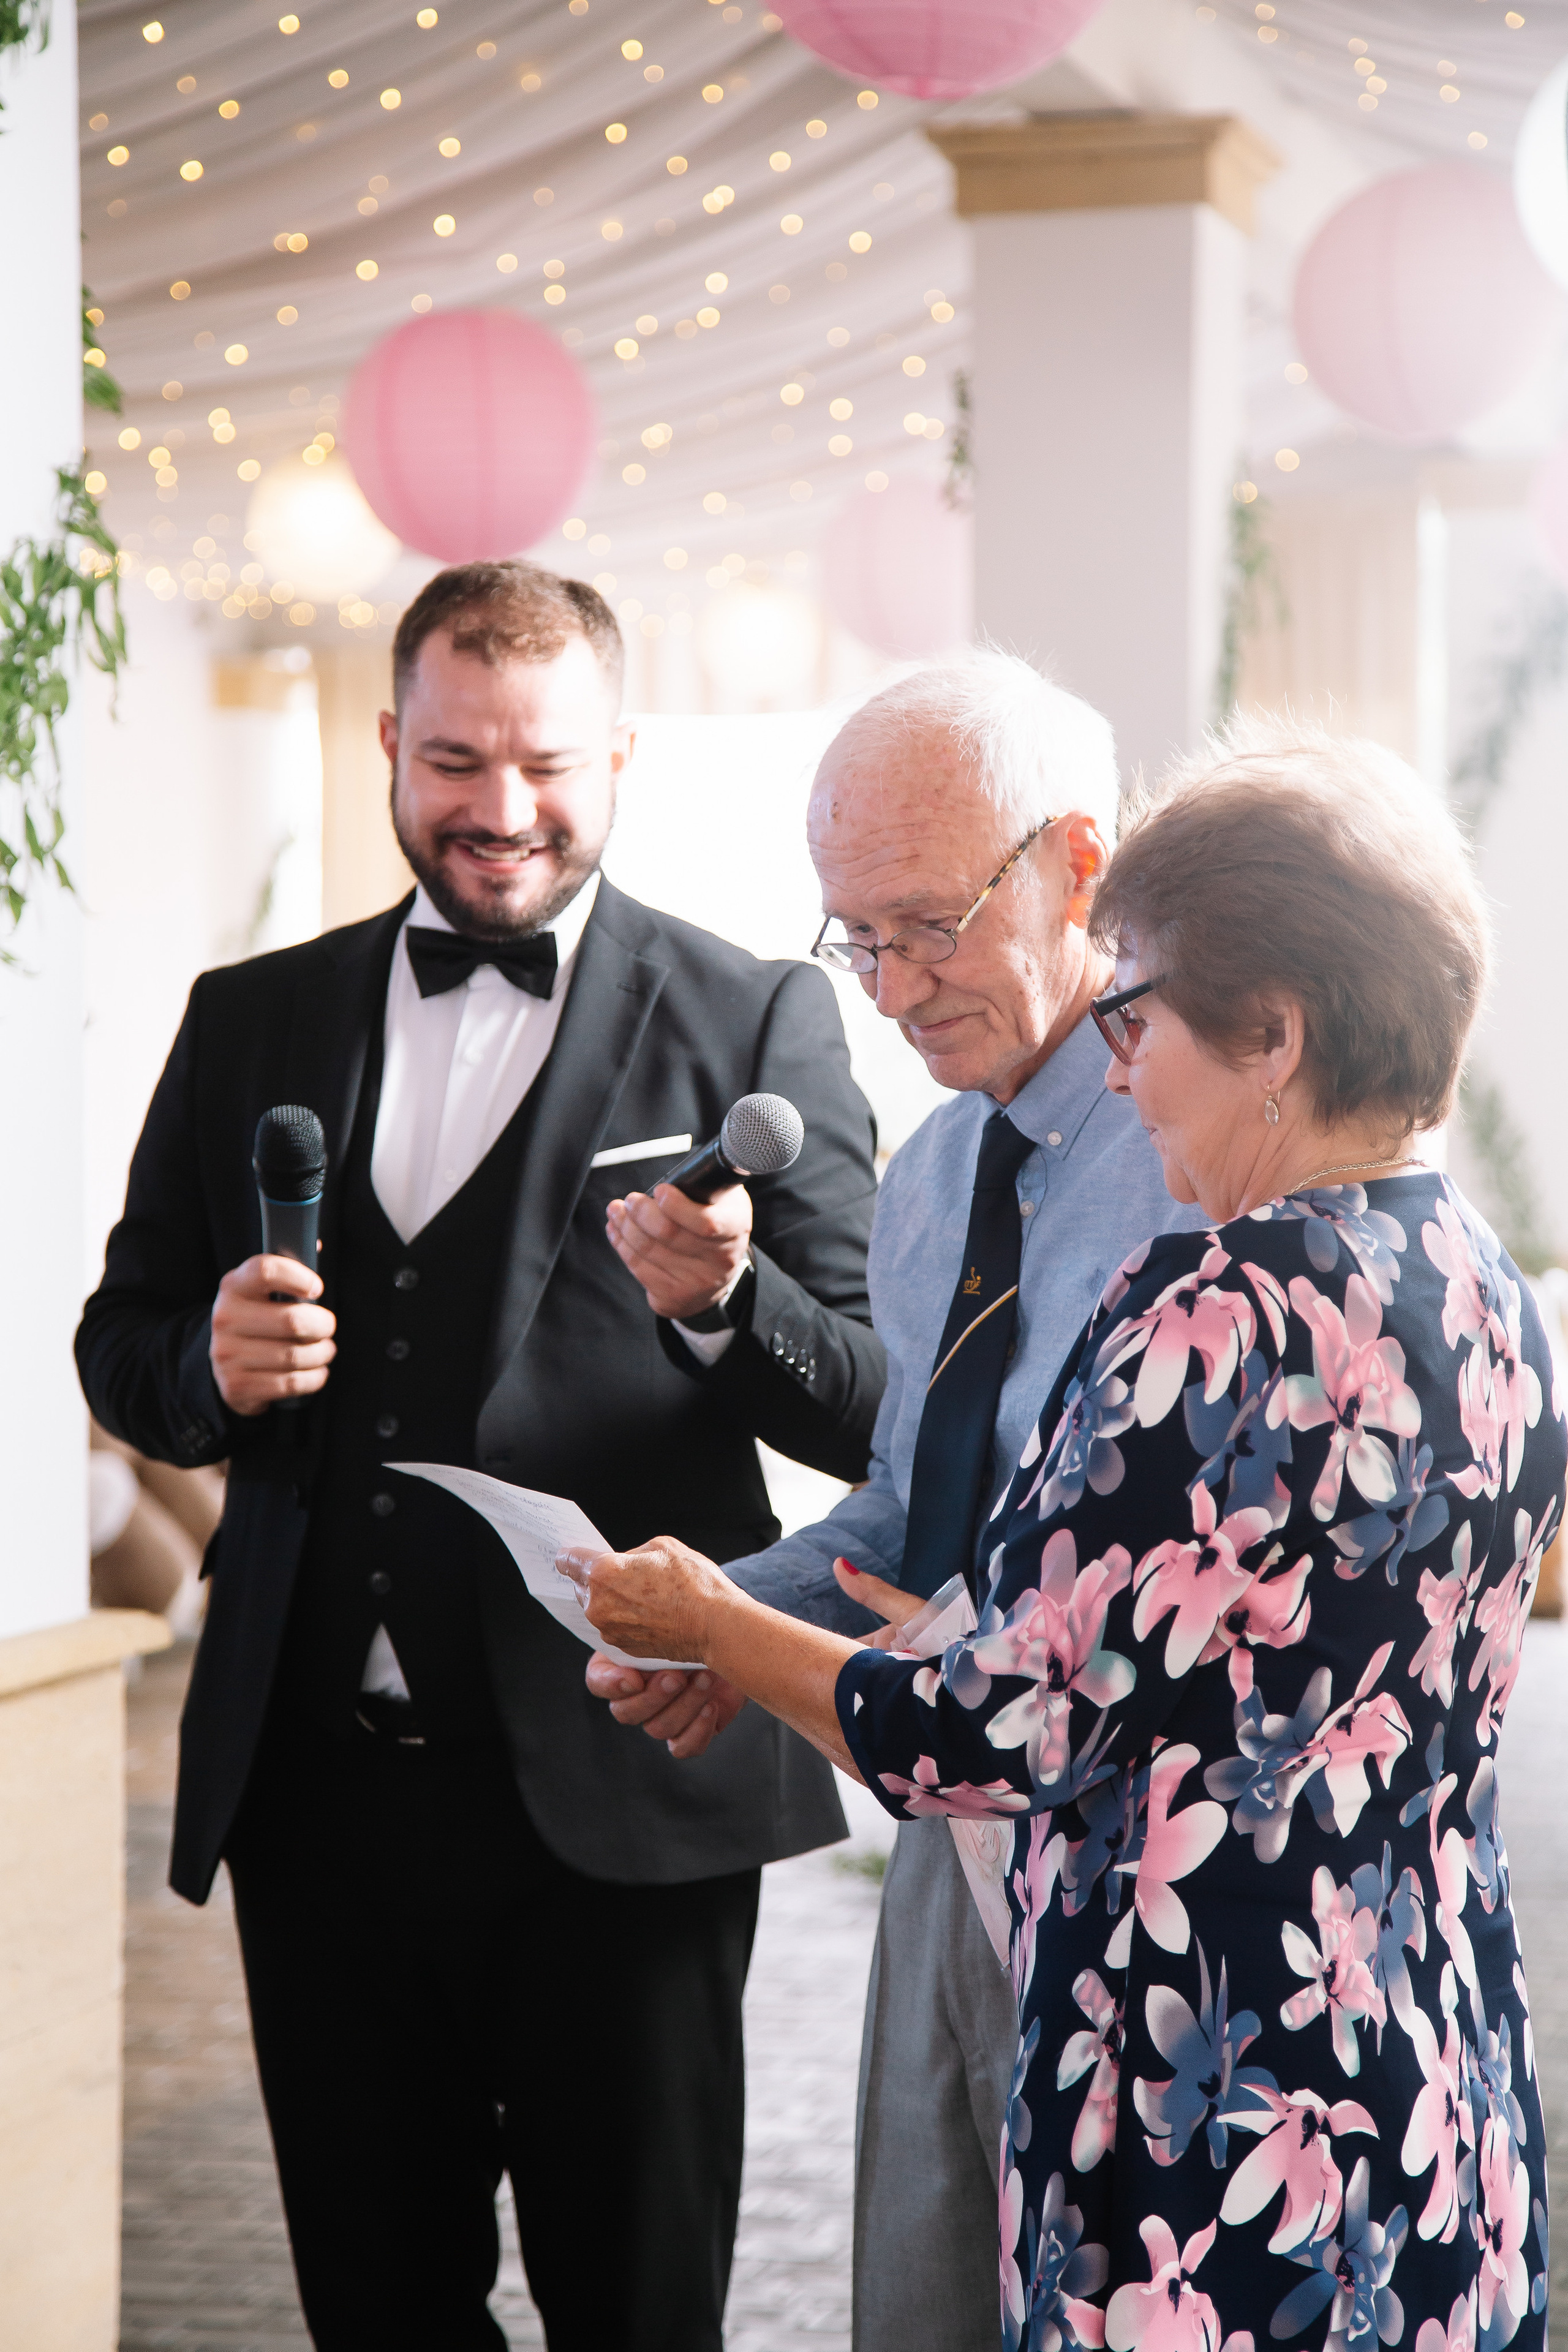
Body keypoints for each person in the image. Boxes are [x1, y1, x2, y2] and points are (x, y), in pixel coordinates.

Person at [565, 718, 1565, 2352]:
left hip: (1211, 2085)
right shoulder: (1478, 1281)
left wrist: (721, 1626)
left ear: (1275, 1037)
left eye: (1144, 1017)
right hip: (1413, 2045)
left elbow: (991, 1727)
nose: (1116, 1063)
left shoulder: (1224, 1305)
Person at [74, 561, 888, 2352]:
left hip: (625, 1779)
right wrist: (199, 1369)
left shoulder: (756, 1021)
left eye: (543, 765)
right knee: (376, 2309)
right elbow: (118, 1346)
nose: (499, 810)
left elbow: (869, 1402)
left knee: (638, 2310)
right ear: (388, 744)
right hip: (320, 1799)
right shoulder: (248, 1020)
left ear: (621, 757)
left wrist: (722, 1310)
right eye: (454, 760)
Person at [597, 650, 1202, 2352]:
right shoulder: (937, 1169)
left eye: (928, 924)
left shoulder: (1203, 1154)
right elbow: (908, 1508)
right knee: (925, 2291)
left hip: (1137, 1857)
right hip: (941, 1824)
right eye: (854, 938)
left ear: (1081, 863)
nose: (889, 987)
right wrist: (730, 1621)